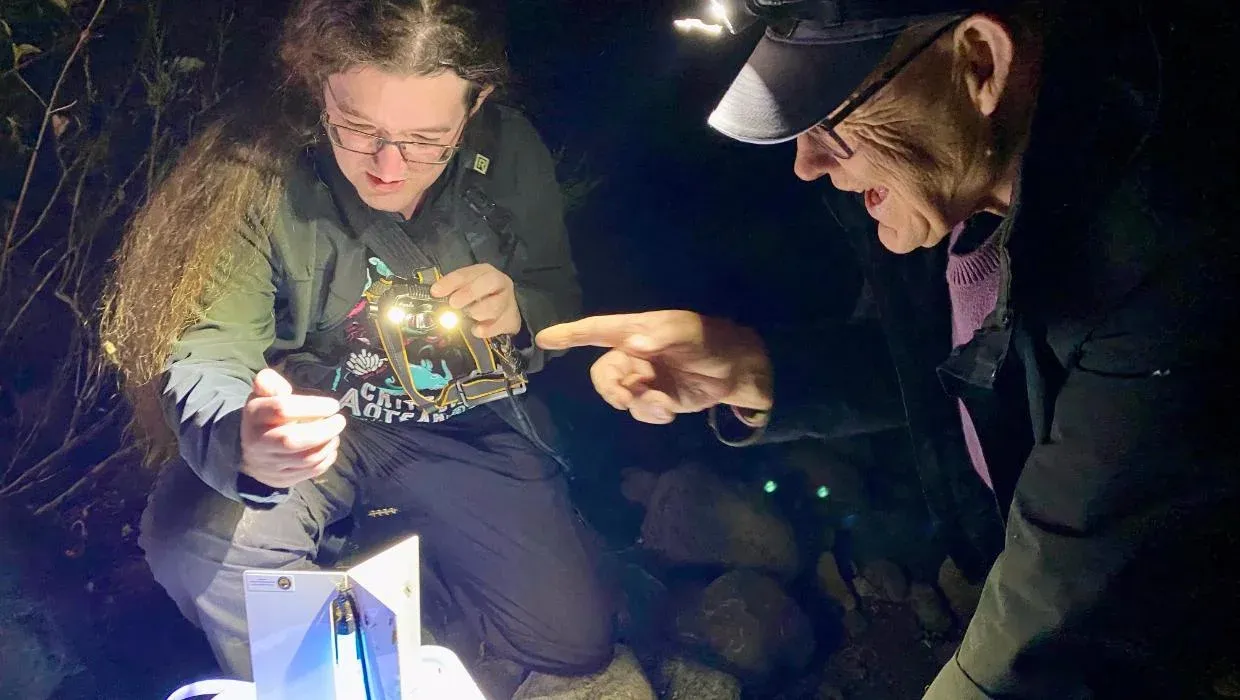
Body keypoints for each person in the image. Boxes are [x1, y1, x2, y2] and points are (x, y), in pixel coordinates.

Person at [536, 0, 1240, 697]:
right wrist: (755, 368)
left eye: (830, 118)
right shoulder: (960, 177)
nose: (806, 163)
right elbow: (950, 360)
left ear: (979, 62)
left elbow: (1072, 588)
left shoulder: (1169, 253)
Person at [99, 0, 615, 694]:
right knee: (198, 549)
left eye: (427, 139)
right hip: (318, 424)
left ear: (476, 103)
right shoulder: (256, 171)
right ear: (320, 88)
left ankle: (403, 602)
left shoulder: (508, 152)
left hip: (460, 423)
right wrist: (245, 441)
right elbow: (206, 351)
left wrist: (522, 311)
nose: (388, 167)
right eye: (357, 128)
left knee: (570, 641)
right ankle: (337, 674)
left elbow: (558, 296)